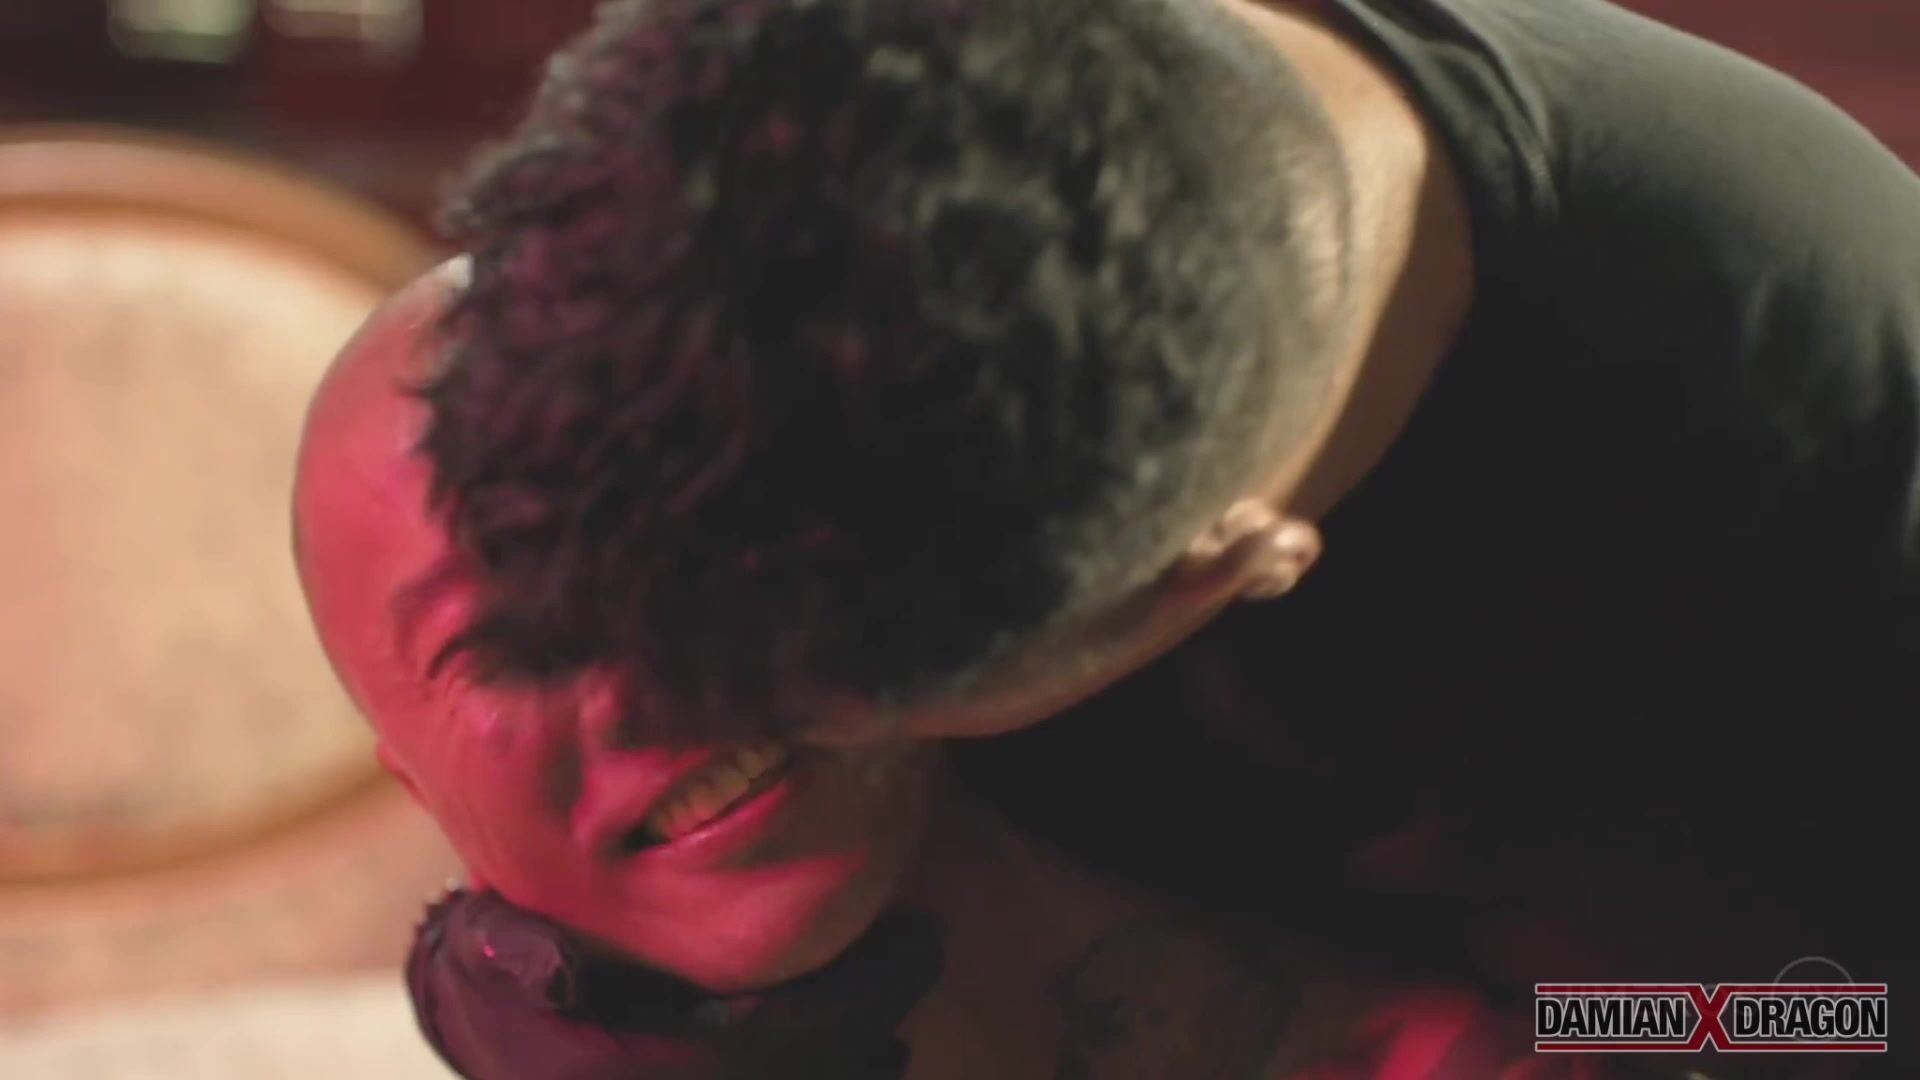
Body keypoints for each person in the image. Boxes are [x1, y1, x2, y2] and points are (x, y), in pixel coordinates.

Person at [381, 0, 1916, 1072]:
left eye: (819, 710)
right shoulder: (966, 120)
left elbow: (1827, 1020)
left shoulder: (1780, 543)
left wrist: (1480, 1029)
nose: (647, 716)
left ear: (1208, 584)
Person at [291, 272, 1588, 1079]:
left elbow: (1699, 1008)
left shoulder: (1257, 719)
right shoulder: (554, 1017)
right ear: (417, 786)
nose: (650, 678)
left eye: (685, 539)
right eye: (500, 644)